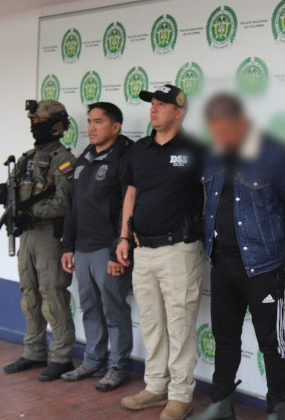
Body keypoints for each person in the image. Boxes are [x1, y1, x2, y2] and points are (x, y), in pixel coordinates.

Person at [191, 94, 285, 420]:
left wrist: (275, 242)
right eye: (215, 132)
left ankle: (276, 409)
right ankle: (221, 404)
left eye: (225, 131)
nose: (220, 138)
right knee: (225, 339)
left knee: (271, 343)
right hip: (221, 264)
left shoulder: (276, 155)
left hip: (262, 268)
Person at [115, 85, 208, 420]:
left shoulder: (197, 150)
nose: (153, 109)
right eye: (152, 104)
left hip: (179, 250)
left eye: (161, 105)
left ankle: (180, 396)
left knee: (179, 325)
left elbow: (213, 194)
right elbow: (131, 194)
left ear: (179, 112)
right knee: (152, 322)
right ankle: (155, 387)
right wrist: (123, 237)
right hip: (142, 249)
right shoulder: (139, 149)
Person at [0, 99, 77, 382]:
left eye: (40, 122)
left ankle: (62, 357)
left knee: (52, 295)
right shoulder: (27, 157)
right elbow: (17, 189)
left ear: (57, 127)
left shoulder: (63, 160)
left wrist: (32, 211)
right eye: (33, 122)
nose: (34, 127)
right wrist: (4, 192)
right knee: (29, 295)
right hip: (26, 233)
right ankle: (34, 351)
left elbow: (65, 202)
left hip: (48, 235)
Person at [58, 102, 134, 391]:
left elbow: (129, 208)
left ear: (116, 127)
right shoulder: (85, 157)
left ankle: (119, 366)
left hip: (108, 249)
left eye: (98, 122)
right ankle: (93, 361)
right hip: (82, 248)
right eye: (90, 121)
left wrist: (117, 249)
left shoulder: (125, 157)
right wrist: (68, 246)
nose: (91, 127)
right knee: (90, 308)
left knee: (114, 310)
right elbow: (72, 206)